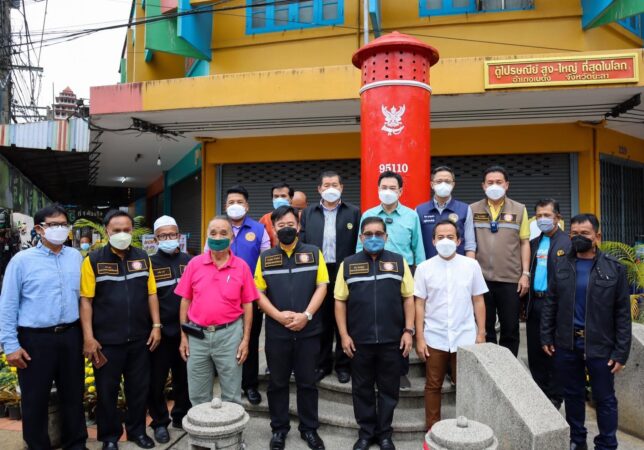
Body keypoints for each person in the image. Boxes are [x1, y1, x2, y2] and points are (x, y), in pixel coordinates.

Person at [0, 204, 88, 450]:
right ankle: (38, 445)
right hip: (35, 340)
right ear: (39, 229)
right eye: (54, 225)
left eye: (64, 224)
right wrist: (10, 345)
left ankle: (76, 444)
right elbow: (8, 304)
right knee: (35, 398)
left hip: (71, 335)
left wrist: (87, 336)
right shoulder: (21, 261)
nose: (60, 229)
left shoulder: (75, 257)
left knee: (73, 394)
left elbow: (83, 299)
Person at [541, 213, 631, 450]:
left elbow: (622, 314)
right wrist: (546, 336)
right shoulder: (561, 264)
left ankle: (607, 444)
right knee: (572, 395)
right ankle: (577, 440)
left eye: (585, 233)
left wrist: (621, 352)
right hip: (567, 343)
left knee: (604, 398)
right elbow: (551, 303)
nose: (579, 237)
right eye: (574, 234)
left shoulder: (614, 268)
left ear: (597, 236)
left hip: (601, 345)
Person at [80, 210, 162, 450]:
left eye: (126, 229)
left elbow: (152, 293)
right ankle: (109, 437)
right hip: (107, 341)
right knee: (107, 392)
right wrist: (88, 337)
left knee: (138, 390)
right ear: (107, 231)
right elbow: (86, 300)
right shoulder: (93, 260)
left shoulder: (143, 257)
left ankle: (137, 432)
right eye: (117, 230)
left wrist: (156, 326)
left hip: (139, 339)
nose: (122, 234)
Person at [335, 217, 414, 450]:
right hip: (359, 341)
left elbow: (408, 298)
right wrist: (344, 335)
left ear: (386, 237)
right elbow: (340, 301)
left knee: (389, 390)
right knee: (362, 389)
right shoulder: (348, 264)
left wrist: (408, 331)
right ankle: (366, 434)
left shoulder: (399, 262)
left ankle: (385, 434)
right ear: (361, 238)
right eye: (368, 234)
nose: (373, 238)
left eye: (378, 234)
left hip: (392, 340)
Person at [254, 205, 328, 450]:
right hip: (277, 332)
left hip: (308, 331)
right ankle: (279, 430)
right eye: (281, 225)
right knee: (277, 383)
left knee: (307, 382)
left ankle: (309, 429)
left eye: (290, 225)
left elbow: (322, 286)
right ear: (273, 229)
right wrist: (277, 316)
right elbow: (258, 292)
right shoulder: (265, 258)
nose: (286, 229)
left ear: (298, 226)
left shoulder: (314, 253)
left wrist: (306, 315)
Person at [174, 216, 257, 407]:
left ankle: (232, 427)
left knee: (232, 395)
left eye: (223, 233)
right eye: (213, 233)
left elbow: (248, 305)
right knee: (198, 395)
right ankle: (200, 427)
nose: (218, 237)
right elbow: (185, 300)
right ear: (207, 236)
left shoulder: (241, 267)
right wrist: (183, 336)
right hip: (197, 336)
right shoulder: (194, 264)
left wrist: (245, 340)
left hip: (229, 335)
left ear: (232, 238)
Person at [413, 220, 487, 431]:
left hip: (465, 336)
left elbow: (478, 300)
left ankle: (467, 429)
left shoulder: (471, 265)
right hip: (434, 336)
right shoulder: (424, 268)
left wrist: (481, 333)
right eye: (440, 237)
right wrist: (420, 338)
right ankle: (433, 430)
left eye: (450, 237)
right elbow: (419, 304)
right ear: (433, 241)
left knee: (465, 385)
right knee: (433, 384)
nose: (445, 241)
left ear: (459, 240)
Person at [356, 170, 424, 390]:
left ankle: (400, 371)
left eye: (392, 188)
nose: (388, 191)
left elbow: (418, 249)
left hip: (403, 273)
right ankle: (371, 371)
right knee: (375, 319)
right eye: (384, 188)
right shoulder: (368, 215)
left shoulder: (411, 216)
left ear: (400, 191)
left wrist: (420, 276)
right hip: (373, 271)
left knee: (402, 321)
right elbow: (359, 247)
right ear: (378, 190)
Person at [300, 171, 361, 383]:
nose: (330, 188)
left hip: (344, 270)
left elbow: (358, 243)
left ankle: (343, 365)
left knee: (344, 318)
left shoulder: (354, 212)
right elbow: (303, 243)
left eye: (335, 184)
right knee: (321, 320)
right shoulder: (309, 213)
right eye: (326, 185)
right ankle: (323, 364)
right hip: (319, 272)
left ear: (341, 187)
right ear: (319, 189)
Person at [470, 165, 530, 357]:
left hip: (510, 279)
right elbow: (469, 244)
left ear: (507, 185)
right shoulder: (472, 209)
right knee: (485, 327)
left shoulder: (519, 209)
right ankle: (489, 366)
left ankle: (508, 366)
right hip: (481, 279)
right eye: (490, 182)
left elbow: (524, 242)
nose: (494, 186)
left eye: (498, 182)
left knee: (510, 328)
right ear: (483, 185)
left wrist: (525, 274)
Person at [147, 215, 192, 443]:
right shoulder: (149, 264)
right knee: (156, 381)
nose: (168, 238)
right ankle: (159, 422)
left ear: (179, 236)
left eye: (172, 234)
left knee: (184, 378)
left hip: (186, 331)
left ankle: (181, 416)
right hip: (161, 332)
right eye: (163, 236)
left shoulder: (190, 261)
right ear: (156, 239)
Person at [225, 185, 271, 405]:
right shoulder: (218, 229)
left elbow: (266, 264)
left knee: (250, 340)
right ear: (225, 206)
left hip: (251, 296)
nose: (235, 206)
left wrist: (264, 295)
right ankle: (230, 386)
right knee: (227, 340)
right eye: (231, 202)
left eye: (239, 202)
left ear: (247, 206)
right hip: (224, 296)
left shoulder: (259, 230)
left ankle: (250, 384)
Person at [526, 199, 570, 409]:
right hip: (535, 303)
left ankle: (555, 396)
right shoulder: (533, 243)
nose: (542, 219)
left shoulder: (567, 243)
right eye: (539, 216)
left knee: (553, 351)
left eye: (547, 215)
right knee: (535, 352)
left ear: (557, 218)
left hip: (556, 306)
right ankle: (540, 393)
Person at [416, 166, 476, 259]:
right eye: (439, 181)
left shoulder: (465, 209)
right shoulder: (420, 210)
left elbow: (470, 244)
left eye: (447, 181)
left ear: (453, 184)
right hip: (429, 264)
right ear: (432, 184)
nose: (443, 184)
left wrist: (470, 264)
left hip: (457, 264)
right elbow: (416, 244)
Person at [259, 182, 294, 247]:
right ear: (272, 199)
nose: (279, 199)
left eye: (283, 196)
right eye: (276, 196)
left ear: (291, 198)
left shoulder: (299, 217)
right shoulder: (265, 219)